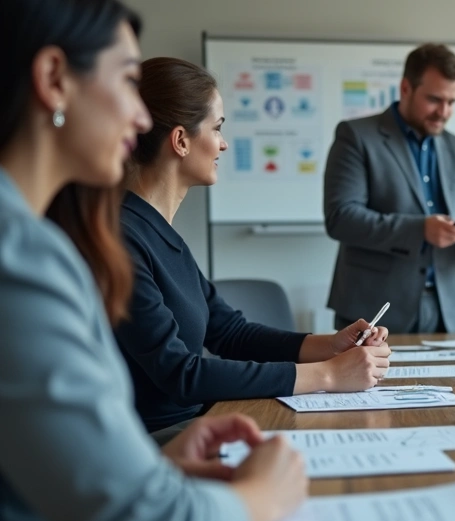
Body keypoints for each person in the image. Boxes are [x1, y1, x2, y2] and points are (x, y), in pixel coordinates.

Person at [0, 0, 306, 521]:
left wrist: (153, 465)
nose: (140, 116)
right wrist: (261, 497)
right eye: (125, 81)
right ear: (55, 78)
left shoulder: (41, 242)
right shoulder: (21, 258)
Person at [64, 57, 390, 434]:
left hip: (194, 426)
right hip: (158, 441)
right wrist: (327, 376)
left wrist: (331, 346)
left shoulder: (158, 232)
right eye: (217, 128)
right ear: (181, 141)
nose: (223, 143)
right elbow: (181, 374)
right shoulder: (122, 238)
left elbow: (231, 334)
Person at [324, 43, 455, 334]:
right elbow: (341, 218)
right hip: (372, 310)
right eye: (434, 99)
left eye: (452, 102)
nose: (444, 112)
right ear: (406, 88)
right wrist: (420, 230)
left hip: (446, 311)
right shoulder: (356, 136)